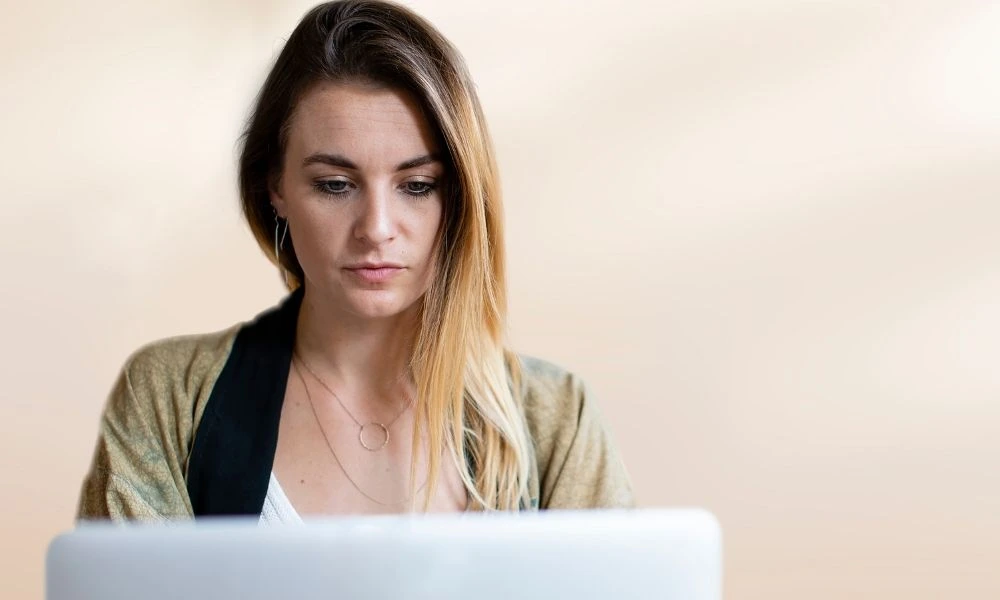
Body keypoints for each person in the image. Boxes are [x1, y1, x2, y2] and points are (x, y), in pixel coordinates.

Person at [77, 0, 633, 522]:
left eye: (417, 185)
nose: (377, 229)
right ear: (276, 187)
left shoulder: (555, 419)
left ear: (461, 195)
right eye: (336, 185)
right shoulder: (170, 400)